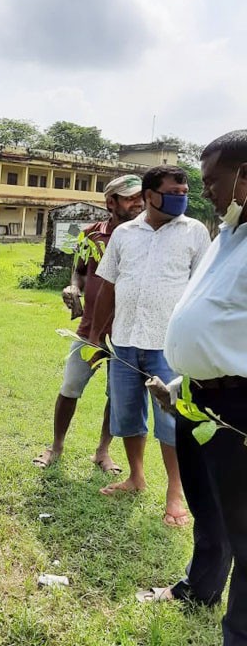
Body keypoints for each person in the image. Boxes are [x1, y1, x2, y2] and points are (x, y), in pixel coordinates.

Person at [136, 130, 247, 643]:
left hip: (237, 406)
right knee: (208, 506)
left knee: (244, 529)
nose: (205, 193)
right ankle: (200, 588)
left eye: (213, 181)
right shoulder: (228, 233)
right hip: (198, 394)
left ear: (245, 176)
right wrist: (184, 381)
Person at [88, 165, 209, 527]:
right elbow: (108, 285)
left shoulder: (195, 232)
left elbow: (202, 289)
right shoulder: (125, 233)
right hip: (125, 340)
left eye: (184, 190)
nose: (181, 197)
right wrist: (95, 334)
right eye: (173, 191)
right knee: (128, 416)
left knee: (172, 422)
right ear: (149, 195)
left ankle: (175, 492)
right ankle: (136, 477)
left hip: (169, 345)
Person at [33, 174, 144, 471]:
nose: (139, 202)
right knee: (70, 387)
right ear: (111, 202)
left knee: (115, 394)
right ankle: (56, 446)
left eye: (140, 196)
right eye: (130, 197)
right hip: (90, 328)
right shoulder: (90, 234)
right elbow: (80, 271)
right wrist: (73, 289)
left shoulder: (146, 235)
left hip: (128, 332)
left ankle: (102, 451)